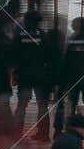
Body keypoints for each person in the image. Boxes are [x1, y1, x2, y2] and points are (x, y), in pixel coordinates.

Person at [13, 9, 54, 140]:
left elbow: (14, 55)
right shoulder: (43, 35)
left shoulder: (20, 35)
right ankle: (43, 133)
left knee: (21, 105)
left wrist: (15, 72)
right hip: (40, 76)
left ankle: (17, 134)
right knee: (42, 105)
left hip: (24, 76)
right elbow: (49, 56)